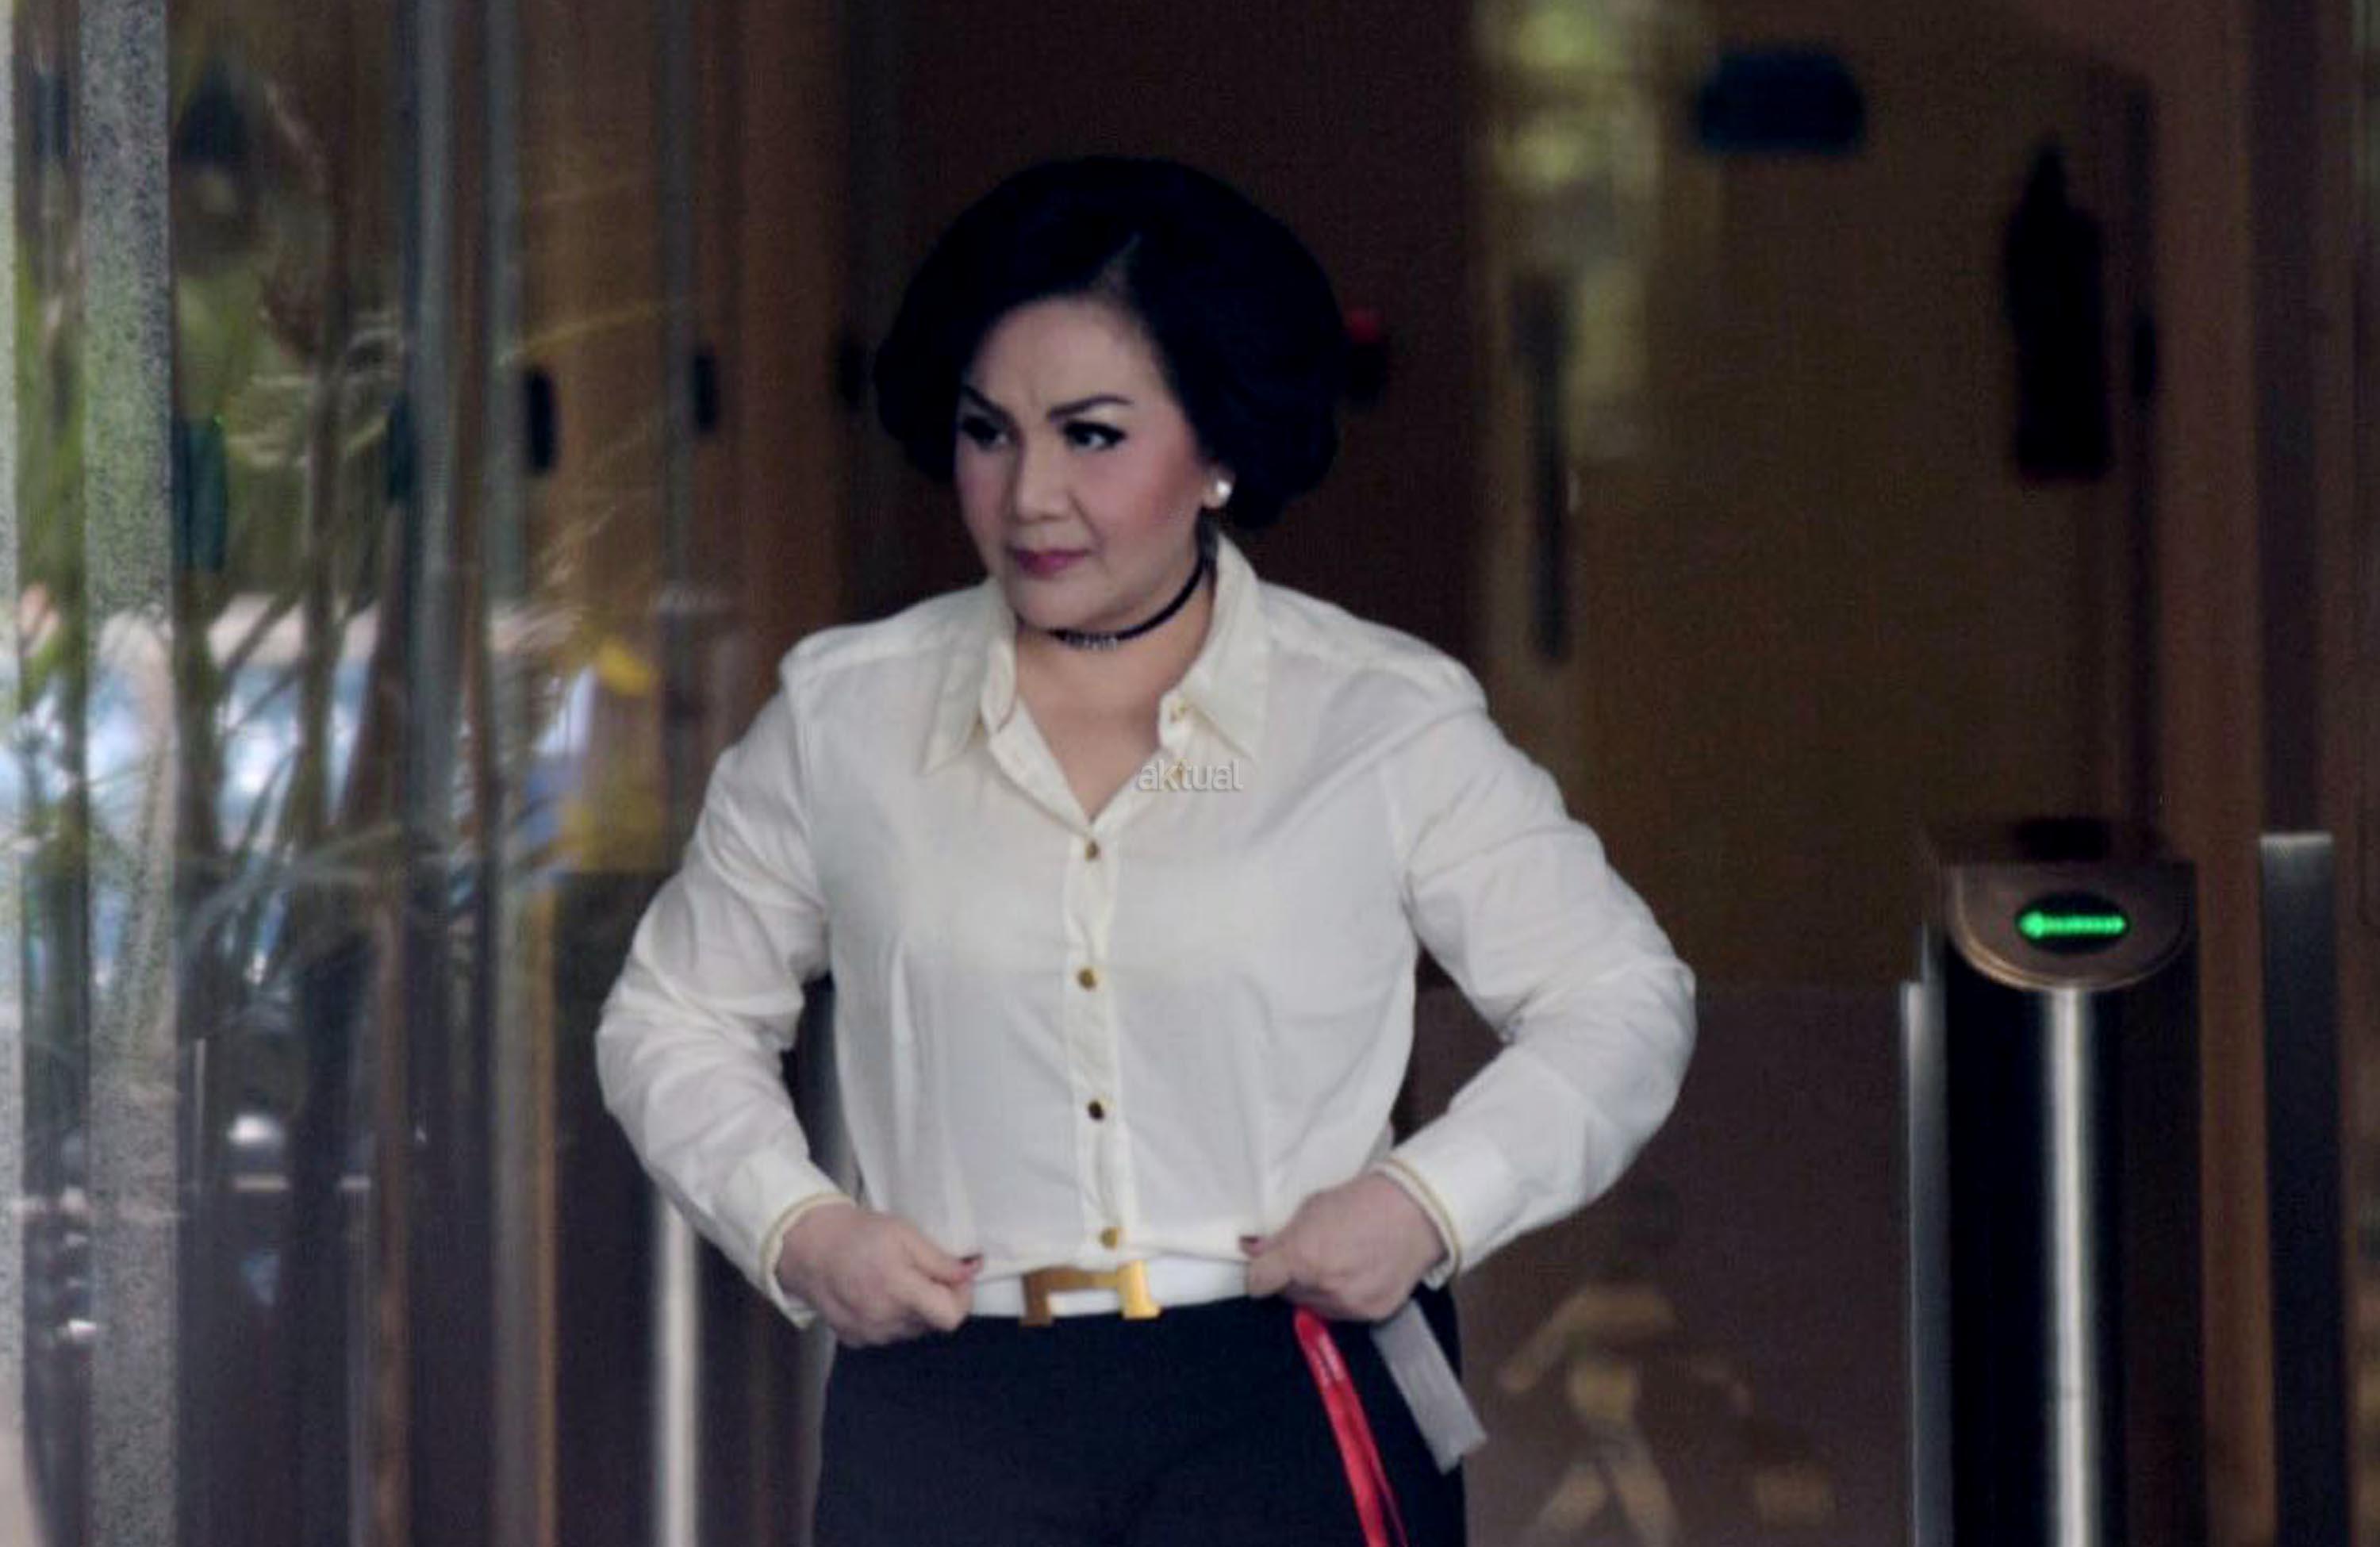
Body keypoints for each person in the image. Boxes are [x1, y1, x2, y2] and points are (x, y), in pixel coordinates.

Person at [595, 155, 1695, 1547]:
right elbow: (676, 1015)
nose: (1030, 496)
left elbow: (1619, 996)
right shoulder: (844, 719)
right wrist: (799, 1230)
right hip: (947, 1409)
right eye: (989, 433)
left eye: (1093, 435)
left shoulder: (1375, 717)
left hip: (1286, 1391)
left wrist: (1427, 1204)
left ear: (1217, 447)